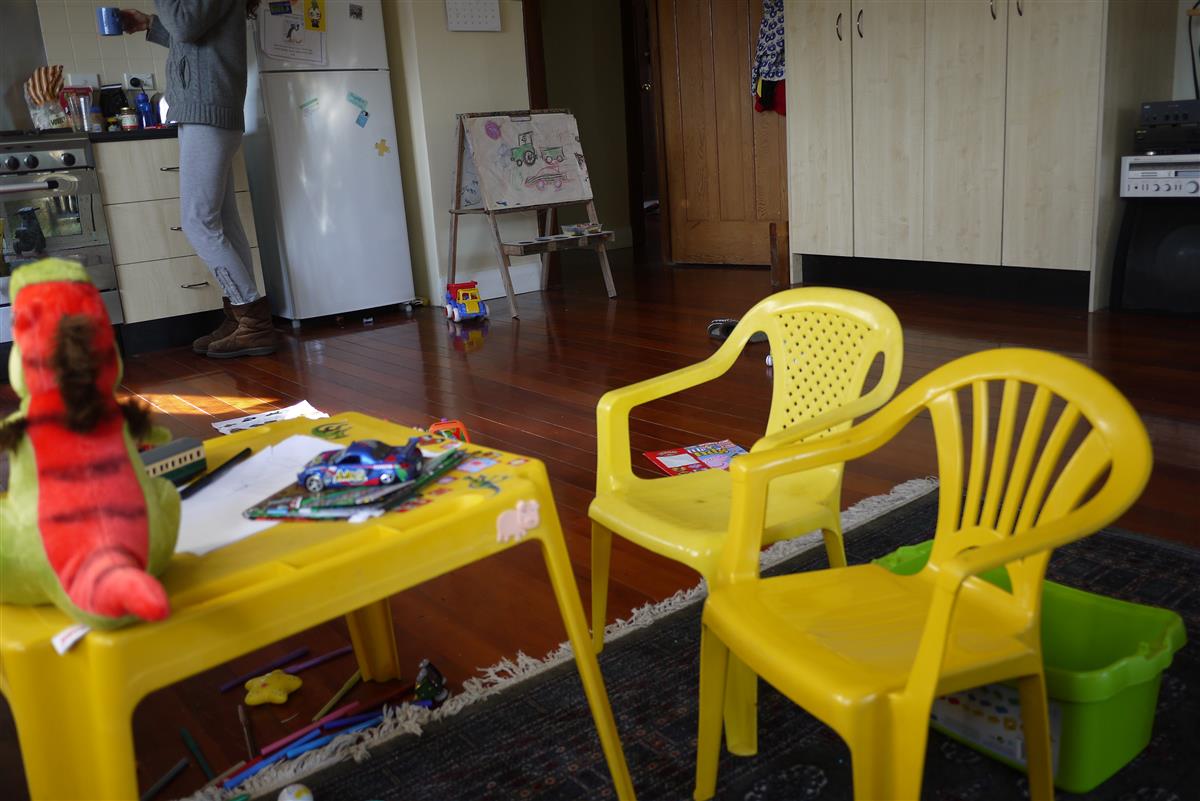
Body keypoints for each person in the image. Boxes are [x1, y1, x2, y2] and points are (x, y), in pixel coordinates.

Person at [120, 1, 276, 358]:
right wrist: (149, 24)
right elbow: (193, 34)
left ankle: (253, 321)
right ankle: (240, 318)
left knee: (198, 222)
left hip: (208, 109)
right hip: (206, 108)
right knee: (222, 220)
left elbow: (186, 26)